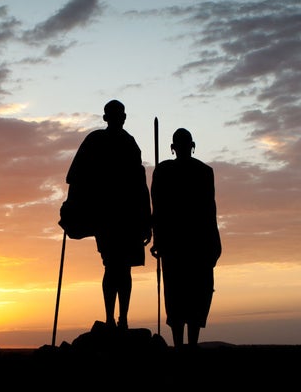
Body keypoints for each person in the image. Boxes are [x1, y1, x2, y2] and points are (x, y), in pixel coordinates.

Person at [62, 99, 152, 330]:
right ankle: (111, 318)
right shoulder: (95, 140)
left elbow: (139, 182)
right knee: (113, 266)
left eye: (119, 115)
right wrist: (72, 206)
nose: (117, 119)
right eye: (114, 115)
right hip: (107, 216)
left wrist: (145, 220)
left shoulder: (130, 144)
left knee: (124, 267)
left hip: (128, 216)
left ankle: (122, 318)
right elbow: (76, 176)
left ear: (123, 118)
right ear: (107, 118)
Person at [150, 128, 221, 349]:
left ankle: (187, 346)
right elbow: (158, 209)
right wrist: (158, 239)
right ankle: (184, 346)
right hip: (178, 244)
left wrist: (214, 244)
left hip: (192, 243)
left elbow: (210, 210)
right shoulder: (165, 172)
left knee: (192, 293)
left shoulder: (202, 172)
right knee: (179, 293)